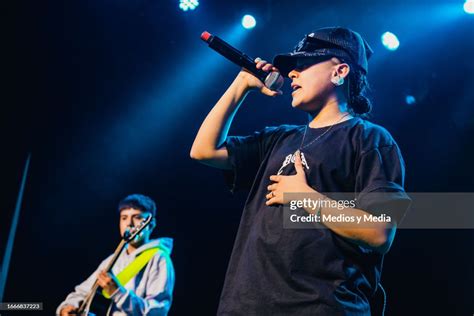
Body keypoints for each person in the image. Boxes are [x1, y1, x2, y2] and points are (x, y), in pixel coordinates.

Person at [190, 26, 411, 315]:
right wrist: (241, 85)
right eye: (293, 67)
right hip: (246, 307)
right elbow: (203, 150)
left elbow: (379, 232)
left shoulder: (369, 139)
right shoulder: (279, 138)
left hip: (320, 307)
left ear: (339, 71)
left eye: (304, 65)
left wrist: (304, 196)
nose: (292, 73)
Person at [56, 194, 175, 316]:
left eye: (137, 217)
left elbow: (157, 312)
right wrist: (65, 308)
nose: (129, 223)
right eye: (124, 218)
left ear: (150, 224)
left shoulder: (159, 259)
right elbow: (82, 292)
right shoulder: (111, 260)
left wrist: (118, 293)